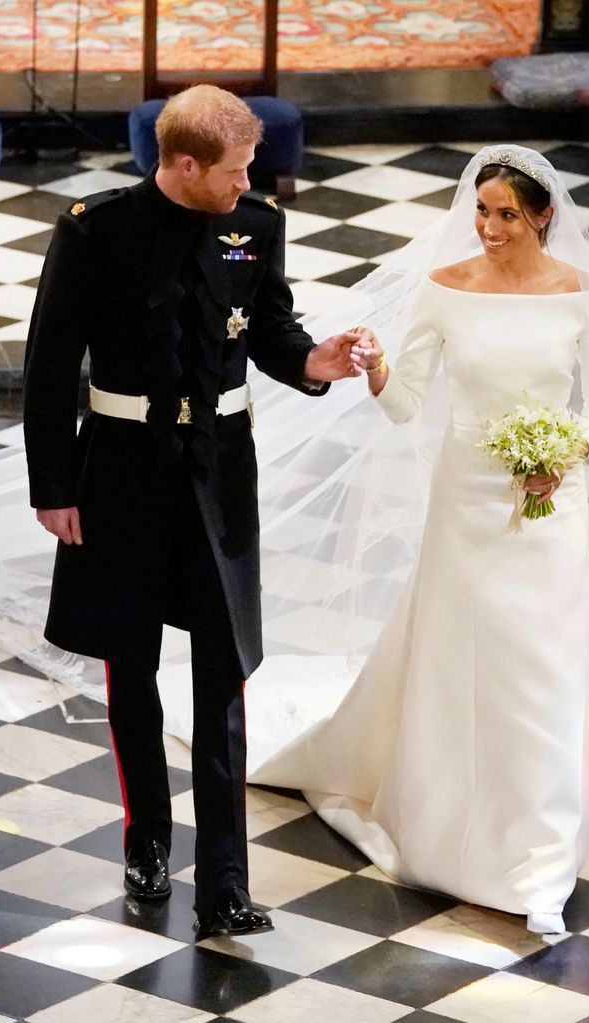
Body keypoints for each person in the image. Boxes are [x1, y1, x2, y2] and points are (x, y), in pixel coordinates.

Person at [240, 145, 589, 936]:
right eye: (482, 213)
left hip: (547, 502)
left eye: (505, 215)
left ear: (542, 218)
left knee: (543, 661)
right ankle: (452, 816)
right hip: (465, 498)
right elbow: (406, 404)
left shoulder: (581, 295)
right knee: (466, 655)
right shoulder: (445, 289)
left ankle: (538, 847)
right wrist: (380, 367)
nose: (488, 229)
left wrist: (562, 452)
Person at [22, 84, 365, 937]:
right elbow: (49, 361)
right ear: (183, 163)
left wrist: (315, 362)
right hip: (122, 473)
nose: (250, 183)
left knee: (224, 674)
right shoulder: (95, 229)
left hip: (220, 474)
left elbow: (272, 330)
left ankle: (226, 882)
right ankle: (146, 844)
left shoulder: (256, 228)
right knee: (130, 664)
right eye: (238, 170)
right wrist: (54, 486)